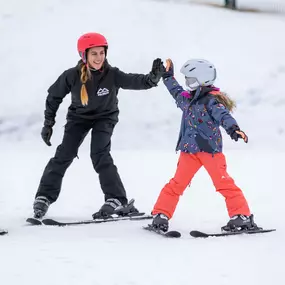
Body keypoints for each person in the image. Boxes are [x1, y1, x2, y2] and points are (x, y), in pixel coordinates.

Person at [33, 32, 165, 219]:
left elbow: (135, 81)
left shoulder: (112, 74)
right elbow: (54, 96)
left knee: (99, 154)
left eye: (102, 53)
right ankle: (44, 197)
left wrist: (152, 78)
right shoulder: (71, 76)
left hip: (105, 117)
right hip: (78, 118)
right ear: (84, 55)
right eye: (94, 53)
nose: (99, 57)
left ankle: (117, 199)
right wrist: (48, 123)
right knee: (64, 154)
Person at [151, 58, 259, 232]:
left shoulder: (211, 101)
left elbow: (223, 116)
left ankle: (242, 216)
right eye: (186, 79)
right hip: (189, 152)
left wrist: (234, 129)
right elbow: (175, 90)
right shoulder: (187, 100)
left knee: (224, 183)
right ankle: (161, 214)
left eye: (191, 80)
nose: (187, 83)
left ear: (203, 80)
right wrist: (167, 77)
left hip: (210, 152)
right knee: (176, 184)